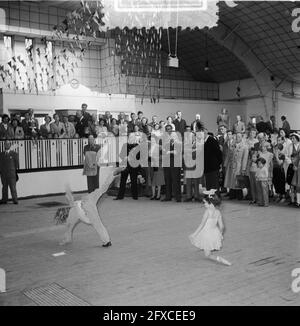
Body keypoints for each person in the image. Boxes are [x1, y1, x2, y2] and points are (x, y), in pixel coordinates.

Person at [56, 166, 125, 247]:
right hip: (83, 212)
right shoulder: (76, 207)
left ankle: (106, 241)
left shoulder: (91, 197)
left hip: (86, 213)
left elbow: (104, 186)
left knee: (92, 222)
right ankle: (106, 241)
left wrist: (115, 172)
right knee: (72, 223)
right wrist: (68, 192)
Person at [189, 190, 231, 266]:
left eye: (204, 202)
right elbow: (222, 226)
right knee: (207, 253)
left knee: (208, 254)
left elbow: (202, 225)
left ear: (210, 202)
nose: (204, 204)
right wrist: (220, 234)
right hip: (214, 233)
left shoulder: (207, 211)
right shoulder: (218, 212)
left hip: (207, 234)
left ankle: (221, 260)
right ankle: (222, 260)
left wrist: (194, 234)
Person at [162, 125, 182, 202]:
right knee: (167, 180)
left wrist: (168, 152)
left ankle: (178, 197)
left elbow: (177, 152)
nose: (169, 131)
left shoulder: (179, 142)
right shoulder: (165, 141)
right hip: (166, 163)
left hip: (175, 163)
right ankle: (168, 196)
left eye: (170, 129)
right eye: (167, 130)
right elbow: (162, 151)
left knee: (176, 180)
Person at [0, 140, 19, 205]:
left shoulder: (14, 154)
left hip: (11, 174)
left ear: (10, 145)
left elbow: (16, 164)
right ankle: (4, 200)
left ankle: (15, 200)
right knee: (4, 188)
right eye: (5, 144)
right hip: (3, 174)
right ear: (4, 145)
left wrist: (14, 171)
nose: (6, 145)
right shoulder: (1, 154)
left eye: (8, 144)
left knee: (13, 188)